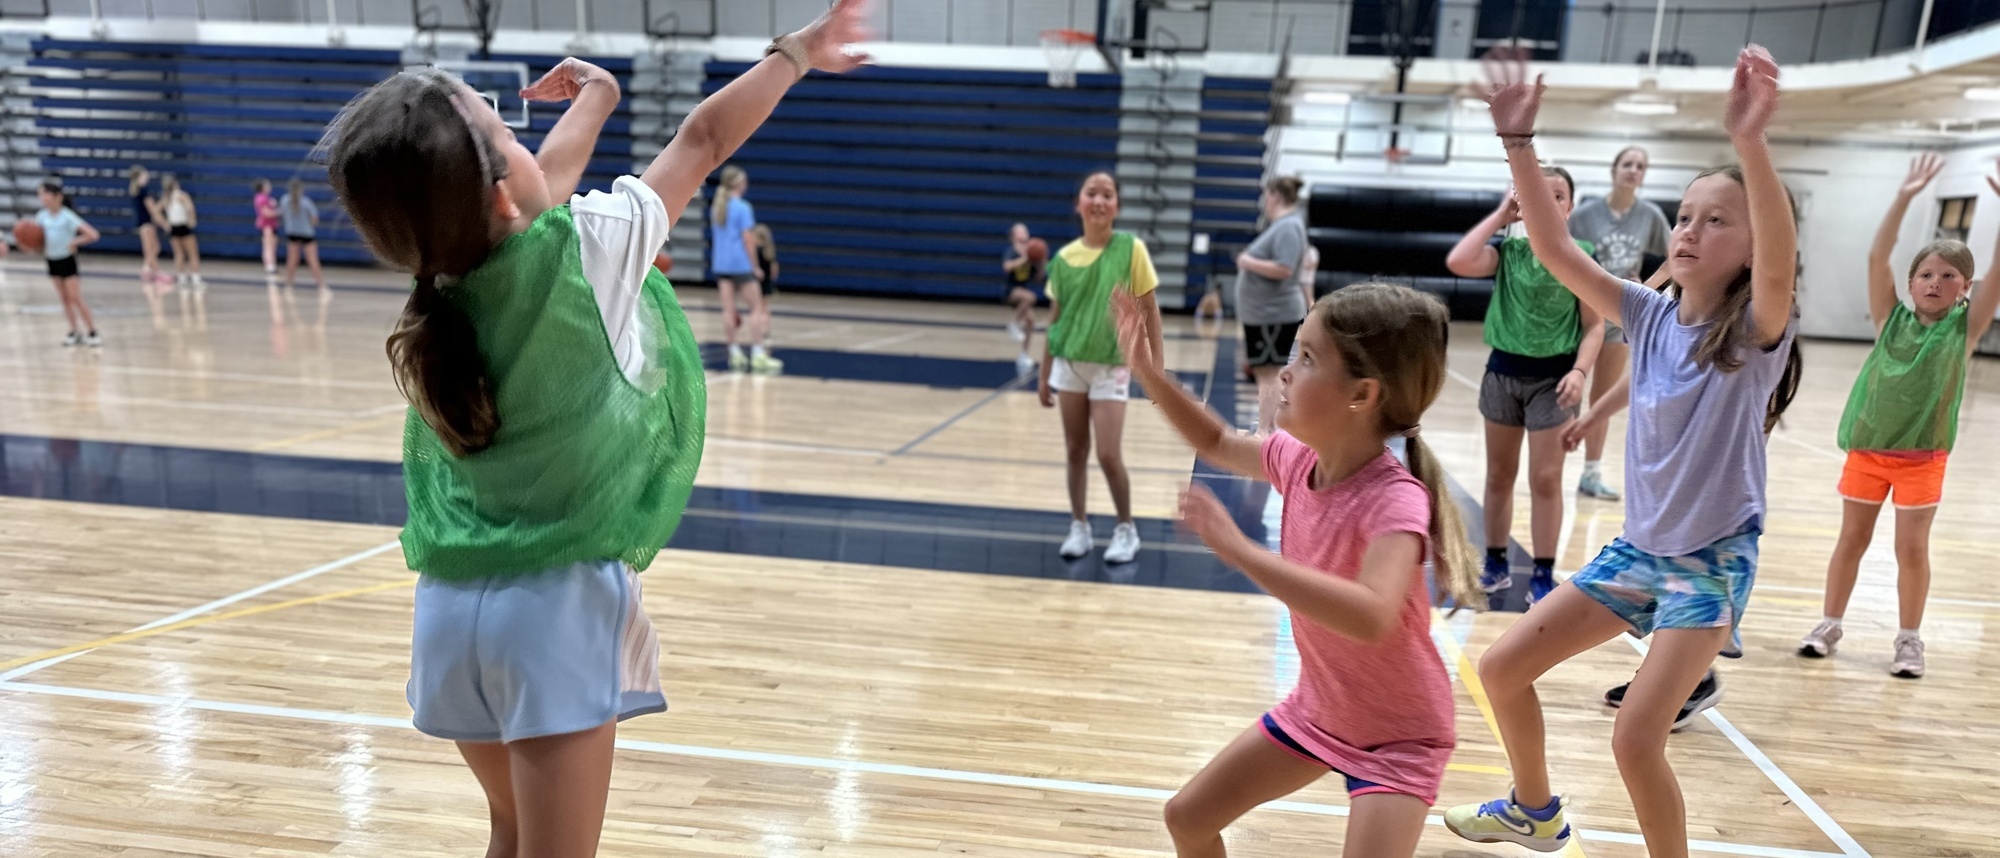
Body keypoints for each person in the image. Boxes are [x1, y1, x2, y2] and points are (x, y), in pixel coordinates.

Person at [323, 3, 870, 854]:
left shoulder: (443, 286)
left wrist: (600, 97)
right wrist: (794, 53)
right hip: (551, 615)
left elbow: (533, 188)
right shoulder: (590, 252)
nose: (518, 132)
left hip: (448, 614)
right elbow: (701, 141)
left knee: (508, 834)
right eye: (502, 127)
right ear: (501, 191)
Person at [1443, 46, 1802, 857]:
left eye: (1718, 220)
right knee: (1501, 670)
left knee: (1636, 740)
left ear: (1750, 247)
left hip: (1710, 564)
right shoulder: (1645, 313)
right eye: (1684, 216)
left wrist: (1750, 143)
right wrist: (1520, 143)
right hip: (1639, 552)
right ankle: (1535, 810)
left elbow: (1779, 268)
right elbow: (1555, 246)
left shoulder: (1754, 332)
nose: (1690, 230)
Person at [1118, 282, 1481, 858]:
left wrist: (1240, 550)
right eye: (1294, 352)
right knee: (1187, 818)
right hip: (1320, 710)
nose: (1286, 372)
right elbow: (1215, 439)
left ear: (1362, 393)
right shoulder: (1297, 459)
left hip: (1400, 738)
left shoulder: (1396, 500)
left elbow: (1371, 615)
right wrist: (1148, 371)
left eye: (1308, 359)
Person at [1798, 153, 2000, 679]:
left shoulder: (1964, 331)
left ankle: (1909, 640)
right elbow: (1876, 258)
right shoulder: (1889, 321)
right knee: (1852, 541)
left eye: (1948, 275)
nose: (1934, 281)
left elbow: (1998, 273)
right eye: (1925, 274)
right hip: (1868, 452)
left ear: (1965, 289)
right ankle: (1828, 623)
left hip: (1922, 458)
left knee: (1911, 548)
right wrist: (1904, 196)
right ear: (1911, 285)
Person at [1446, 166, 1606, 605]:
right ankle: (1495, 564)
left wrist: (1579, 372)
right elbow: (1458, 260)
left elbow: (1595, 326)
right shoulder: (1507, 252)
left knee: (1546, 478)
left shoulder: (1582, 256)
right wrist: (1501, 216)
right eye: (1538, 194)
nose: (1548, 202)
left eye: (1557, 195)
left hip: (1554, 381)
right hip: (1502, 374)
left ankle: (1542, 573)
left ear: (1570, 207)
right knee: (1499, 475)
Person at [1038, 171, 1164, 564]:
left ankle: (1126, 529)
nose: (1098, 200)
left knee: (1109, 454)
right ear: (1078, 203)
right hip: (1069, 365)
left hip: (1111, 367)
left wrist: (1157, 368)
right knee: (1076, 450)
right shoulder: (1063, 259)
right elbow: (1056, 319)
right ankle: (1079, 525)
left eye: (1107, 194)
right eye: (1091, 193)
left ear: (1117, 206)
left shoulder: (1131, 250)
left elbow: (1150, 311)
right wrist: (1044, 372)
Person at [1567, 145, 1672, 500]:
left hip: (1619, 313)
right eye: (1627, 164)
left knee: (1602, 395)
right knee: (1566, 390)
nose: (1633, 170)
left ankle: (1591, 473)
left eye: (1640, 166)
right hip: (1579, 310)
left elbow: (1676, 257)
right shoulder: (1585, 215)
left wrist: (1649, 289)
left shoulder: (1650, 215)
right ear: (1614, 170)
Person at [1235, 176, 1312, 434]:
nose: (1265, 202)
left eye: (1267, 196)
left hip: (1274, 313)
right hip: (1265, 313)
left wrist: (1247, 262)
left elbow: (1284, 268)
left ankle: (1265, 432)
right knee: (1266, 373)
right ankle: (1265, 430)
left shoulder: (1288, 227)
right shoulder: (1284, 226)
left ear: (1275, 197)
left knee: (1269, 373)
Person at [711, 164, 779, 374]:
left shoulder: (717, 207)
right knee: (756, 307)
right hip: (740, 264)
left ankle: (734, 352)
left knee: (728, 309)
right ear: (739, 183)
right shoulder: (743, 207)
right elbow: (748, 240)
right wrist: (755, 266)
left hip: (721, 264)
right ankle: (758, 353)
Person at [33, 177, 102, 347]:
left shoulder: (67, 216)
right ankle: (74, 331)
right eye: (40, 195)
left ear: (57, 196)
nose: (42, 198)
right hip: (51, 260)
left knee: (75, 297)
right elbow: (37, 240)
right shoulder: (41, 217)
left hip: (67, 260)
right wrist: (33, 247)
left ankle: (93, 331)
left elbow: (93, 234)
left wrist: (74, 242)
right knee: (64, 299)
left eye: (45, 194)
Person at [1002, 222, 1046, 374]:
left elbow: (1039, 277)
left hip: (1023, 293)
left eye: (1025, 230)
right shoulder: (1012, 251)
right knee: (1031, 297)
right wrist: (1024, 259)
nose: (1024, 233)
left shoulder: (1031, 252)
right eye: (1020, 231)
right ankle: (1014, 324)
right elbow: (1007, 267)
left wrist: (1041, 261)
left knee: (1031, 322)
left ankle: (1023, 355)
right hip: (1012, 291)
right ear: (1014, 236)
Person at [281, 178, 327, 291]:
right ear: (301, 190)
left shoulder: (284, 200)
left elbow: (282, 215)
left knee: (292, 260)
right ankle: (321, 286)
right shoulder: (306, 202)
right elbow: (315, 219)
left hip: (292, 233)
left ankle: (289, 285)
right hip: (307, 234)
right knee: (313, 260)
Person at [160, 173, 204, 289]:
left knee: (179, 254)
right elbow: (190, 208)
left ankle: (182, 279)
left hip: (173, 228)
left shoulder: (166, 198)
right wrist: (192, 220)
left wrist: (165, 223)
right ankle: (196, 279)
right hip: (183, 226)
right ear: (176, 184)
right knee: (192, 254)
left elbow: (156, 210)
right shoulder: (182, 195)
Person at [129, 165, 166, 288]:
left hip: (142, 222)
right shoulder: (143, 190)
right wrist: (163, 222)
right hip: (147, 222)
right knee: (152, 248)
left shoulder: (135, 190)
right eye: (145, 174)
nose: (147, 176)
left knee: (152, 247)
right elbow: (152, 208)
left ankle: (147, 268)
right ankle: (153, 271)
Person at [254, 179, 282, 275]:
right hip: (266, 225)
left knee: (272, 245)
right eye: (267, 185)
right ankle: (269, 266)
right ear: (262, 187)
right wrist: (279, 212)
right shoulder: (261, 198)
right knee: (268, 246)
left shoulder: (267, 198)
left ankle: (272, 265)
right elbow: (265, 213)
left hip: (272, 225)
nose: (269, 186)